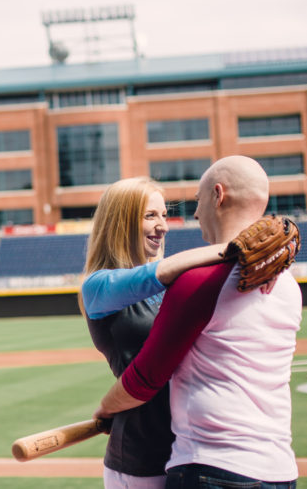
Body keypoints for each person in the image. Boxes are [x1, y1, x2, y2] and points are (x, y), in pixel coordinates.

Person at [94, 156, 302, 488]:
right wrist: (252, 245)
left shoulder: (198, 283)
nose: (193, 214)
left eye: (197, 200)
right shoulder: (285, 280)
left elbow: (145, 378)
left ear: (218, 195)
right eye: (152, 215)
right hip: (278, 469)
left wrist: (104, 409)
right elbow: (158, 274)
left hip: (210, 465)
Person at [81, 177, 227, 488]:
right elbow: (159, 272)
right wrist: (235, 247)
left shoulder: (172, 283)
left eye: (164, 215)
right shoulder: (97, 286)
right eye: (150, 216)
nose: (163, 226)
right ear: (120, 222)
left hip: (193, 450)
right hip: (142, 454)